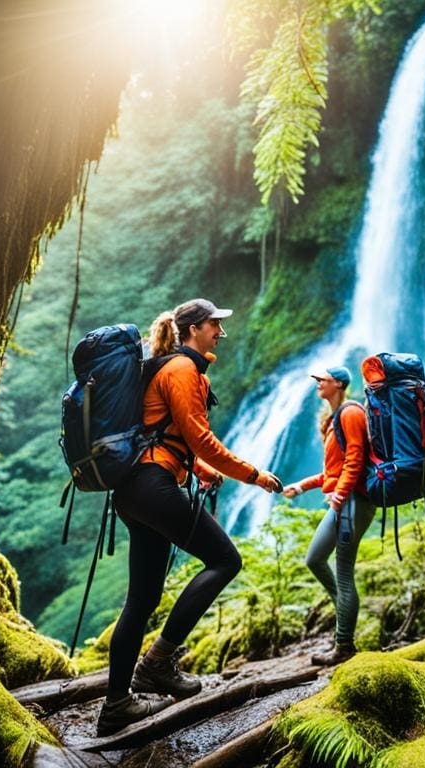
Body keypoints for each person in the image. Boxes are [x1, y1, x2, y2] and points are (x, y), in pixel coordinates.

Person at [97, 298, 282, 737]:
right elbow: (199, 436)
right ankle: (158, 662)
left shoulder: (168, 367)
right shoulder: (183, 371)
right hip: (153, 486)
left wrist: (201, 471)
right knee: (225, 560)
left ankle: (116, 705)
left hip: (135, 489)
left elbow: (163, 433)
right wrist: (252, 475)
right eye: (216, 324)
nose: (221, 331)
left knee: (141, 600)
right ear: (194, 327)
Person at [282, 366, 375, 666]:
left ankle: (344, 645)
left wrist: (339, 497)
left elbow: (356, 459)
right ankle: (344, 613)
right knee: (314, 559)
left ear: (338, 383)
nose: (317, 384)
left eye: (322, 380)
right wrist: (303, 486)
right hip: (344, 500)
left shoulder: (350, 413)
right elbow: (333, 470)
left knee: (343, 571)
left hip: (353, 501)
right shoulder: (334, 418)